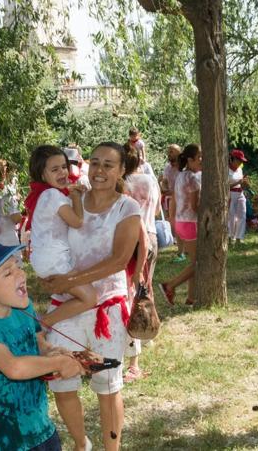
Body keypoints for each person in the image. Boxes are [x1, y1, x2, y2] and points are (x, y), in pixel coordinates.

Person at [38, 142, 141, 451]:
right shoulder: (71, 200)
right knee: (61, 381)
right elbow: (48, 238)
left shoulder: (127, 208)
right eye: (94, 162)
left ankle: (112, 449)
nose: (99, 170)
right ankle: (81, 443)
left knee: (108, 387)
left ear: (121, 170)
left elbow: (119, 260)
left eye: (109, 164)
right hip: (68, 305)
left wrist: (70, 279)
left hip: (106, 311)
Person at [0, 239, 83, 451]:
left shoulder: (23, 309)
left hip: (43, 431)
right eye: (8, 273)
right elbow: (13, 367)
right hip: (8, 441)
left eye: (18, 266)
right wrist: (58, 363)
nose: (21, 275)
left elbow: (37, 340)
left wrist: (50, 352)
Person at [22, 145, 99, 327]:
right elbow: (77, 221)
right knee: (89, 297)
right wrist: (75, 197)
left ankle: (50, 323)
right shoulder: (52, 195)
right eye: (55, 169)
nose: (62, 172)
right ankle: (42, 325)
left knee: (80, 294)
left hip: (47, 258)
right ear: (42, 175)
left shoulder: (45, 194)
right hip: (53, 260)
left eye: (64, 167)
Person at [122, 143, 161, 382]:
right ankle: (146, 331)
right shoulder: (150, 180)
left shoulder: (124, 184)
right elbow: (156, 210)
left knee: (131, 295)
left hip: (136, 240)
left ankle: (135, 351)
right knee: (145, 290)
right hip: (152, 234)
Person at [160, 144, 202, 305]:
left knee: (194, 262)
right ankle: (170, 286)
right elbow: (194, 206)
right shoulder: (192, 178)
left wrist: (173, 218)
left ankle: (191, 298)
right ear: (190, 160)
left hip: (180, 222)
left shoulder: (181, 176)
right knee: (197, 263)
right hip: (190, 222)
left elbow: (176, 201)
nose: (202, 160)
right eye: (199, 157)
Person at [161, 144, 186, 262]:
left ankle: (185, 250)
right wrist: (164, 188)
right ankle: (181, 252)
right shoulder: (167, 167)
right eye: (169, 151)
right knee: (175, 224)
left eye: (172, 151)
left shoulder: (185, 168)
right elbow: (165, 181)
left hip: (185, 199)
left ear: (179, 153)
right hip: (172, 199)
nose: (169, 153)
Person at [228, 149, 249, 245]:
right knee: (231, 215)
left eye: (241, 161)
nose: (240, 162)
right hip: (230, 194)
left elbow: (242, 184)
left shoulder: (240, 169)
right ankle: (229, 237)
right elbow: (224, 186)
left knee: (242, 215)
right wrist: (238, 182)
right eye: (238, 160)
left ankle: (239, 238)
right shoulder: (226, 169)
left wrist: (245, 183)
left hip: (240, 193)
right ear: (232, 159)